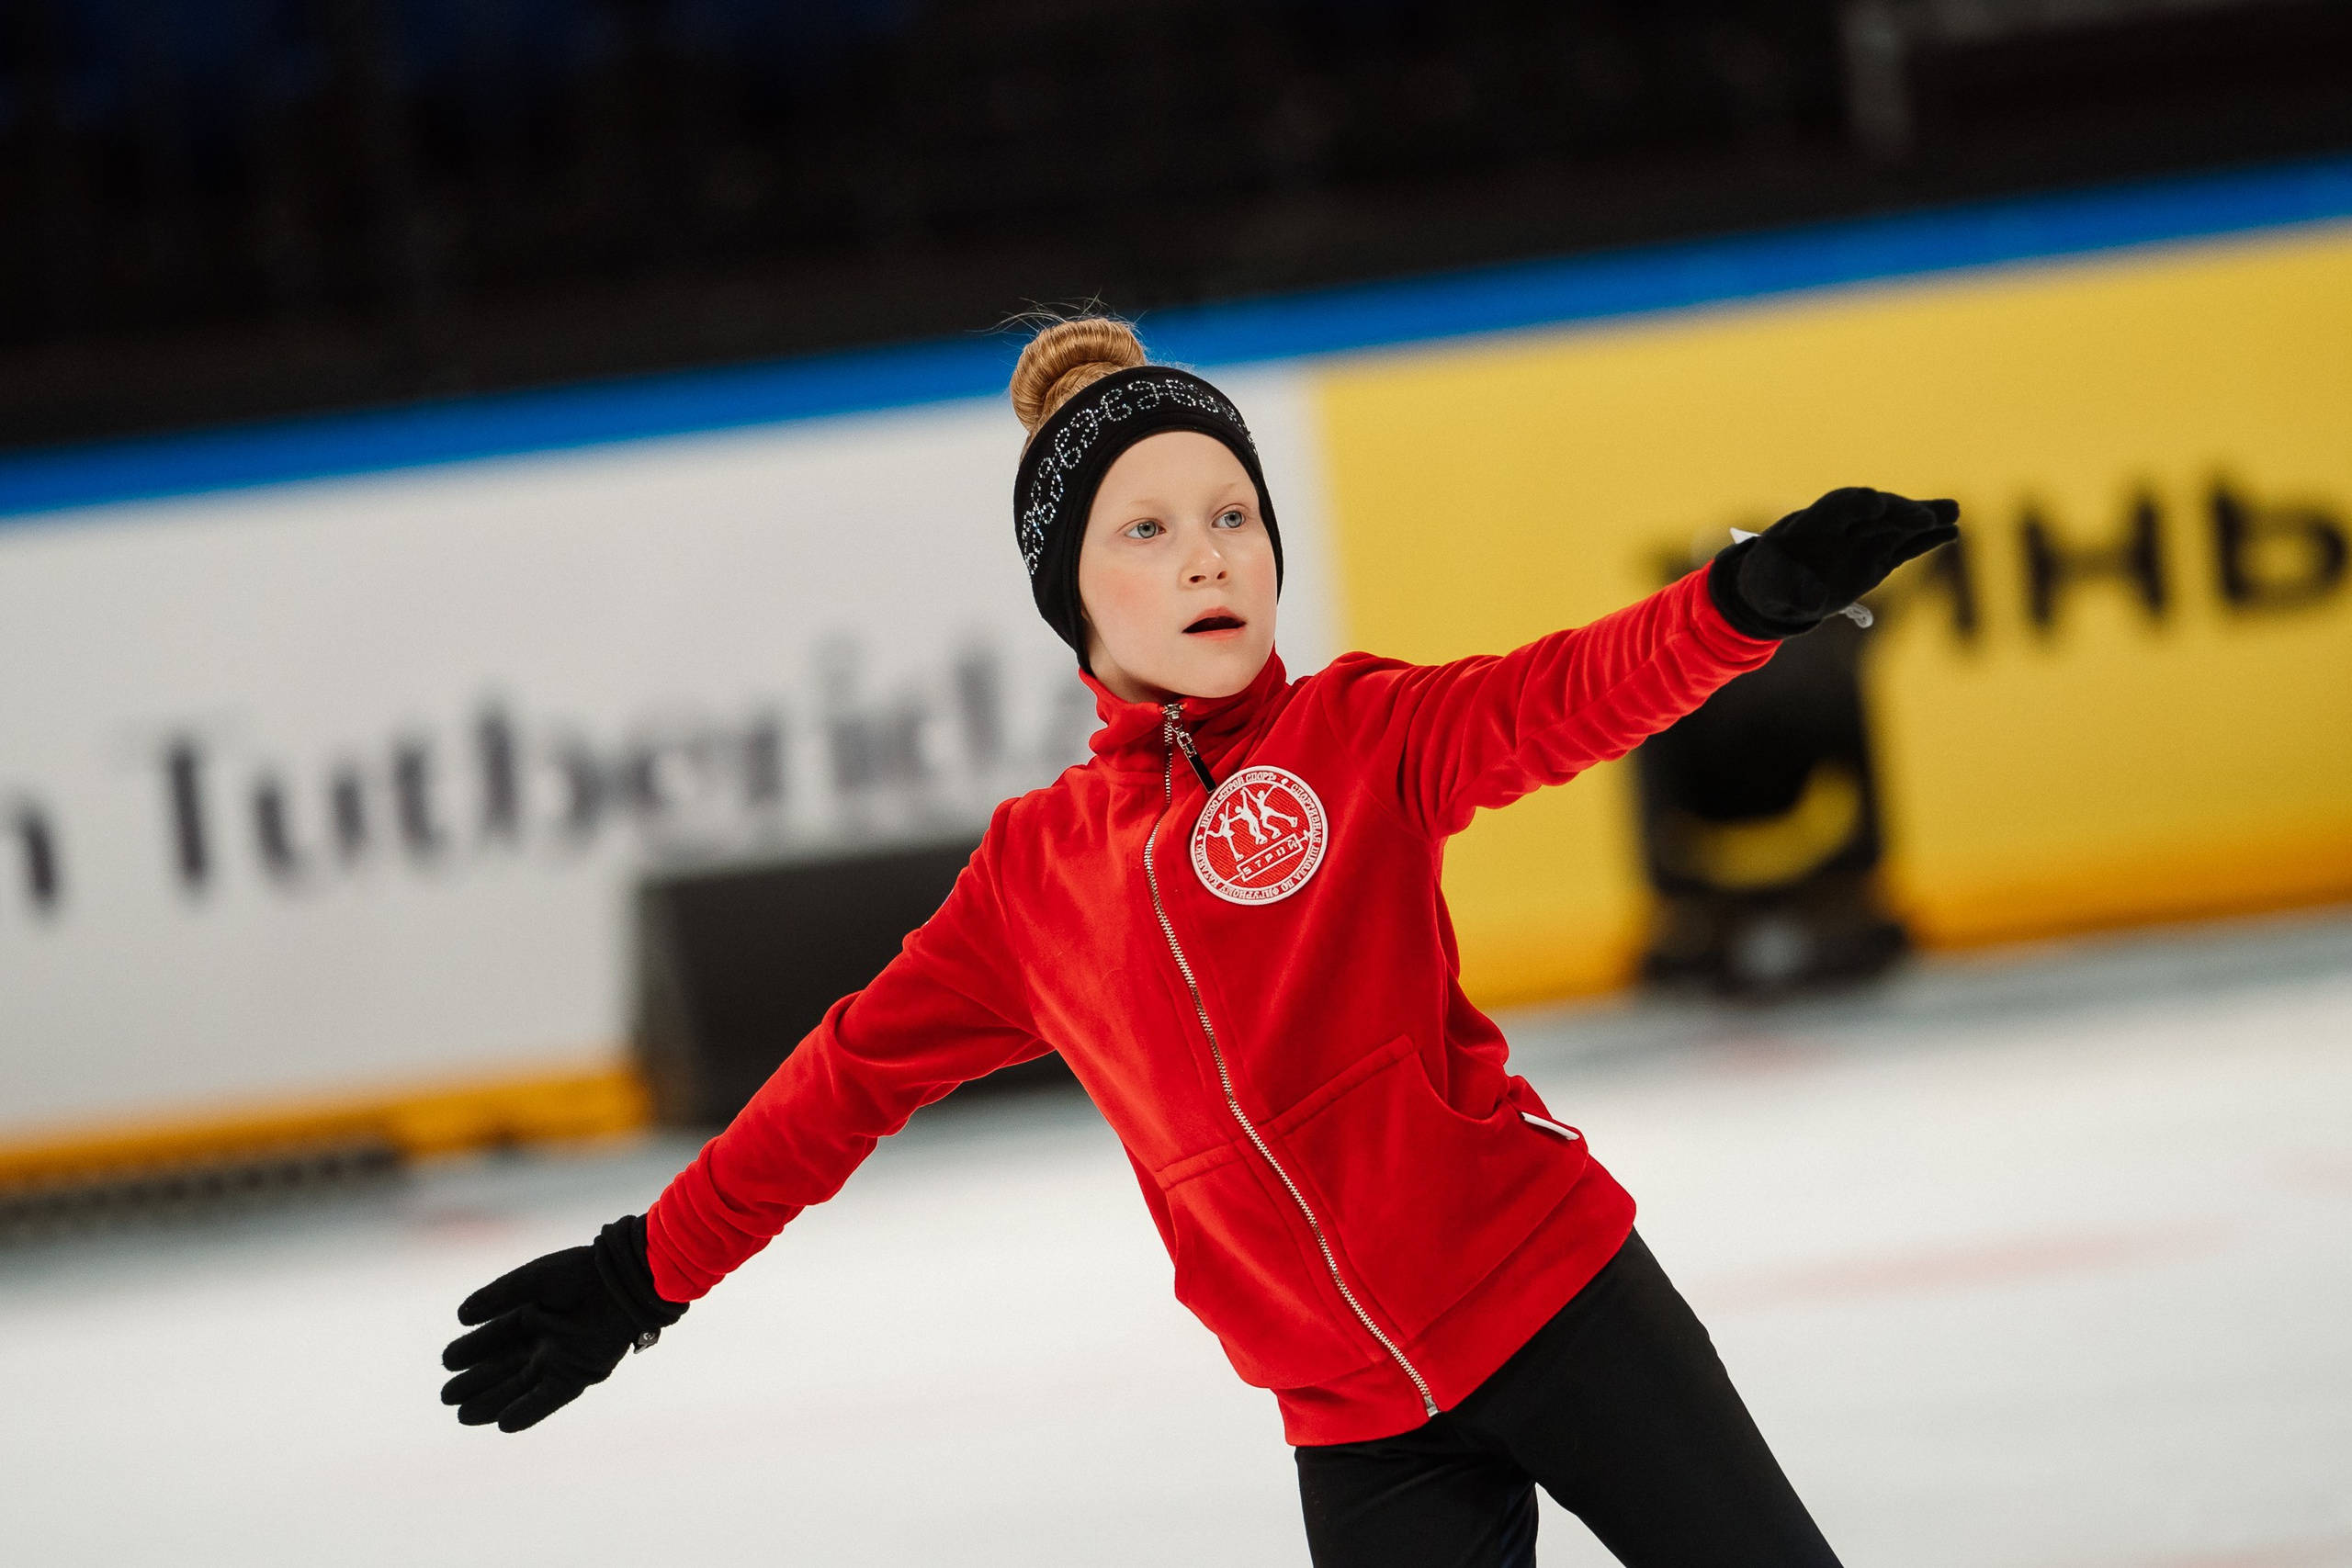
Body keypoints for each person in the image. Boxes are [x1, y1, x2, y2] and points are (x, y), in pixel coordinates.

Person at [439, 315, 1959, 1567]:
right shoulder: (1035, 882)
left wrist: (1743, 603)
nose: (1209, 558)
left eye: (1235, 517)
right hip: (1355, 1421)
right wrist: (648, 1273)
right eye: (1150, 531)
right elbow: (840, 1086)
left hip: (1561, 1305)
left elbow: (1561, 695)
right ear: (1072, 595)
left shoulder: (1361, 734)